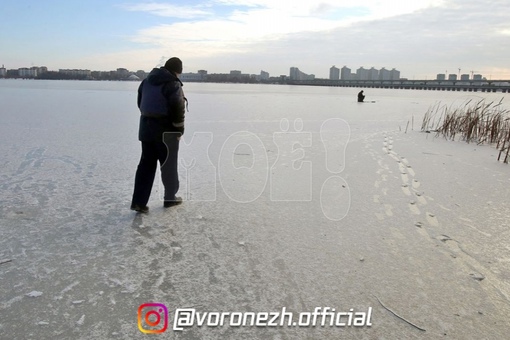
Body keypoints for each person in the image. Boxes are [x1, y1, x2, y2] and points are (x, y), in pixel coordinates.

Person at [130, 57, 186, 213]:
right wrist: (179, 129)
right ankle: (170, 198)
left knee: (146, 165)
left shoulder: (147, 81)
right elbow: (178, 107)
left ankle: (139, 202)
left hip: (146, 128)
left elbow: (140, 101)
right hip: (166, 130)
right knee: (168, 165)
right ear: (177, 71)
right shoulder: (172, 83)